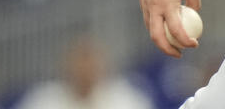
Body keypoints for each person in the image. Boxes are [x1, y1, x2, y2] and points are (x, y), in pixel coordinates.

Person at [15, 35, 154, 109]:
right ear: (66, 66)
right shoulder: (44, 100)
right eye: (79, 62)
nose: (85, 70)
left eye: (91, 62)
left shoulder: (125, 98)